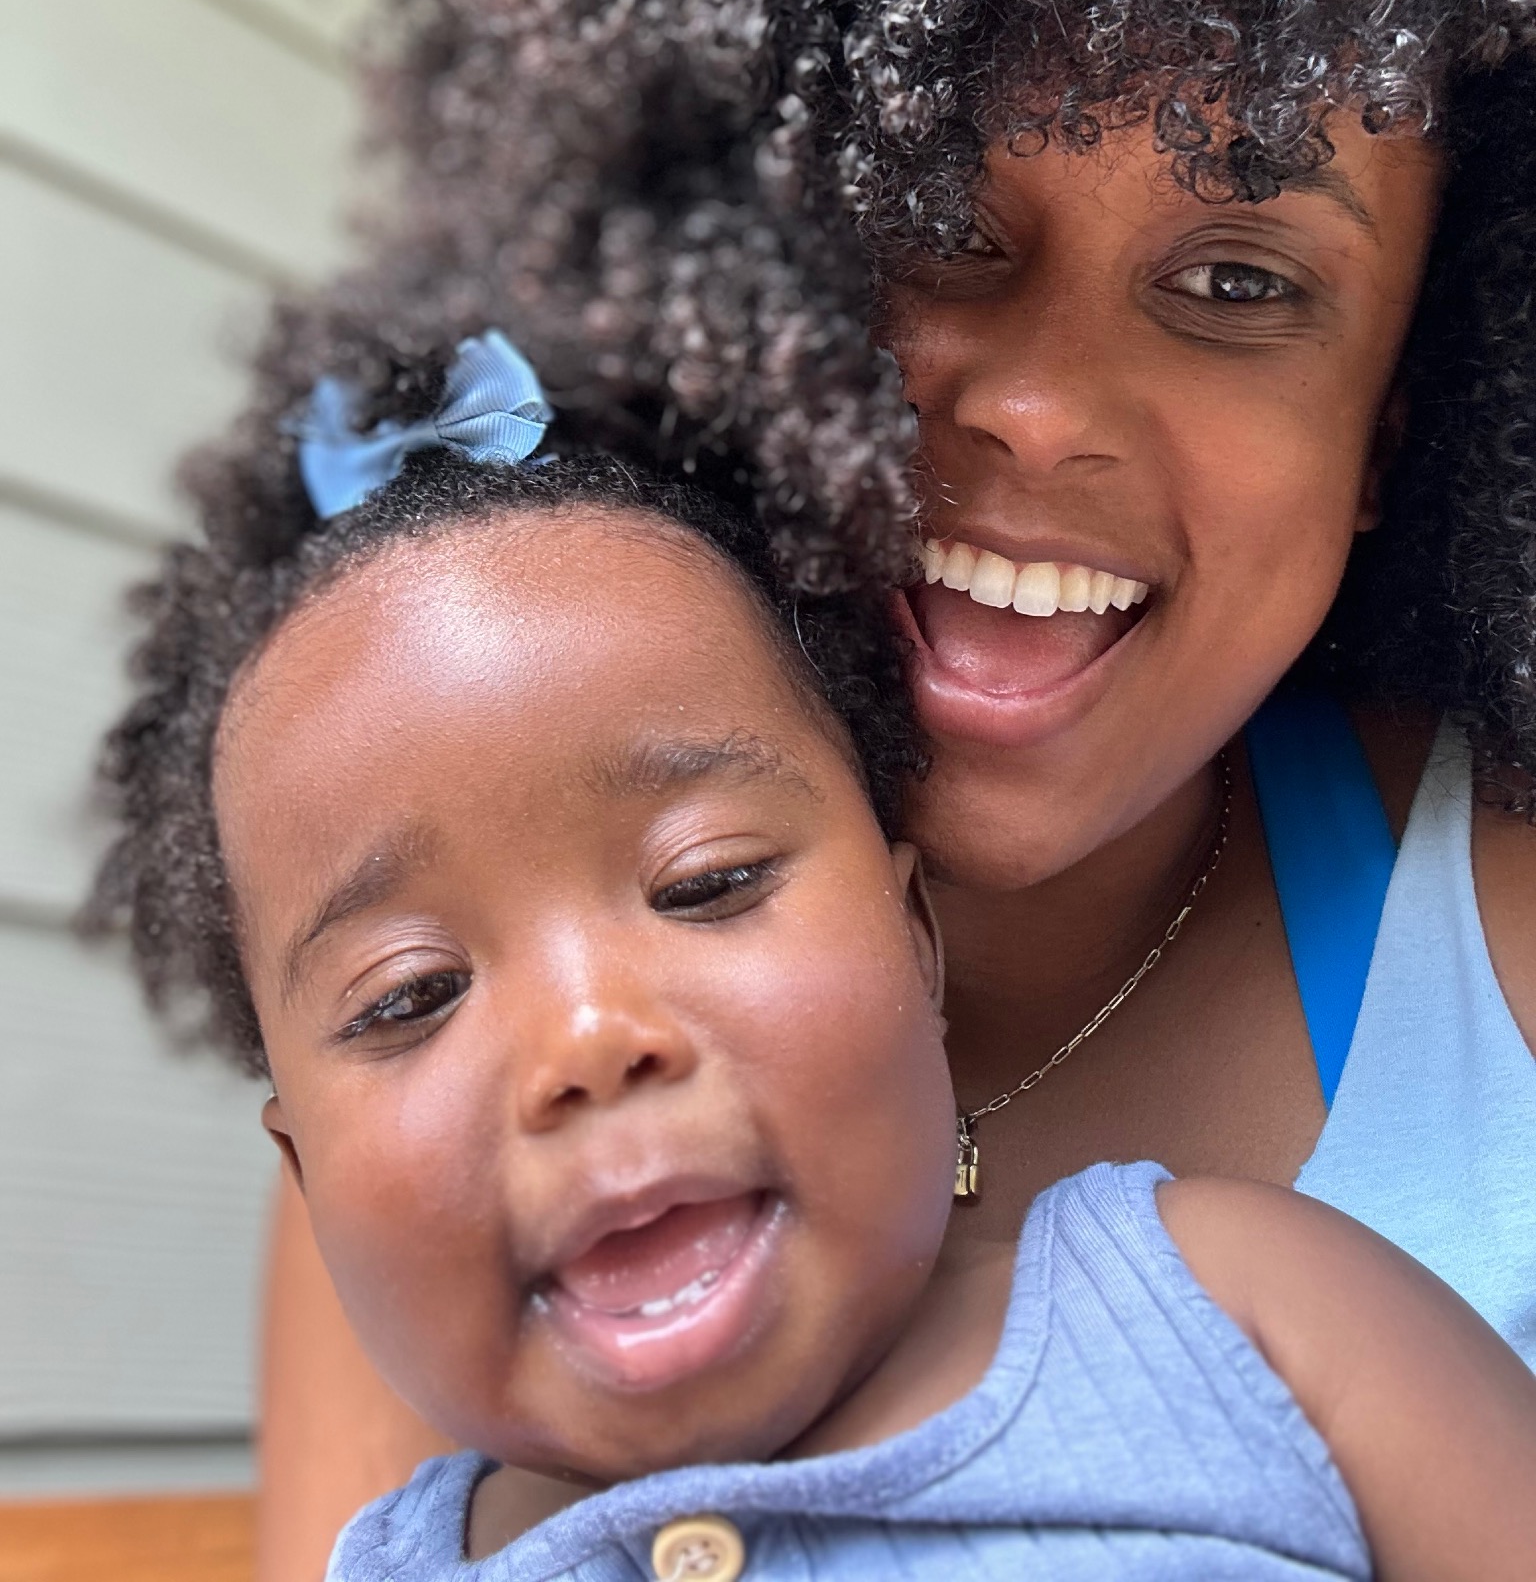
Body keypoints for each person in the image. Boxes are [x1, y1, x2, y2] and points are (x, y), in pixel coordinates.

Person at [87, 0, 1536, 1570]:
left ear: (1396, 423)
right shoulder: (465, 1124)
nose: (1045, 408)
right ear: (717, 262)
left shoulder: (1494, 932)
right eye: (938, 220)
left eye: (1236, 278)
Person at [92, 338, 1536, 1577]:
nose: (586, 1040)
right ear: (306, 1177)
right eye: (412, 997)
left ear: (919, 942)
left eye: (706, 884)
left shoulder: (1240, 1312)